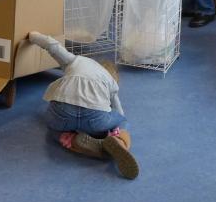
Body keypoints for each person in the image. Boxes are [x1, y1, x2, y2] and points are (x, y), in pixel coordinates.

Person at [28, 31, 139, 180]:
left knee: (53, 127)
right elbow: (119, 111)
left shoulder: (75, 60)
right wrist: (114, 122)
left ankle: (71, 139)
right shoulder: (110, 81)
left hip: (63, 112)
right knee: (121, 121)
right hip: (93, 119)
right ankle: (120, 141)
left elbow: (52, 46)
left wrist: (32, 36)